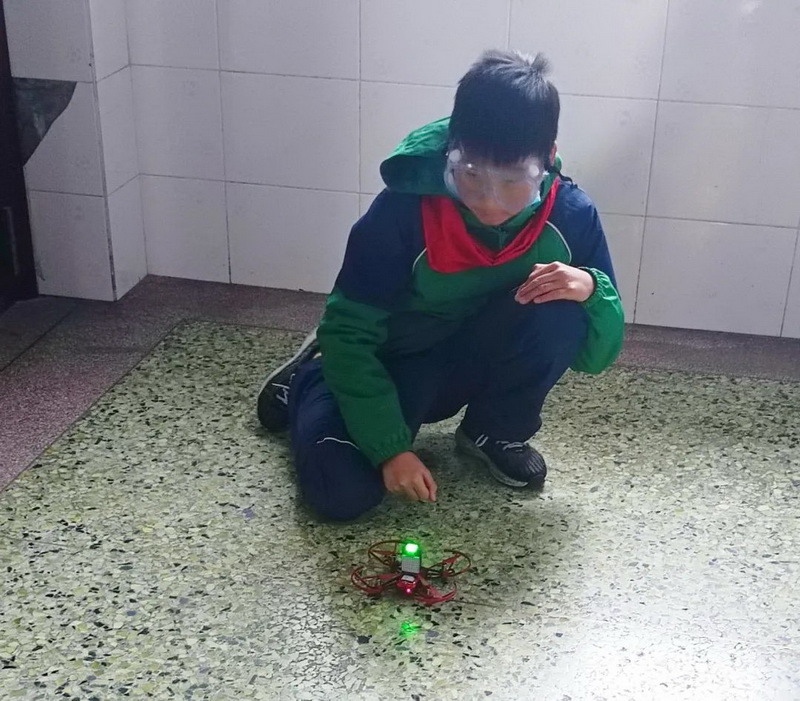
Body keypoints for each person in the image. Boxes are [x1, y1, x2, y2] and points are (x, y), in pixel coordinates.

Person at [257, 49, 624, 521]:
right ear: (452, 151)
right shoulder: (403, 210)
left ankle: (493, 432)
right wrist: (391, 450)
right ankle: (308, 376)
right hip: (394, 360)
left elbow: (596, 359)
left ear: (547, 160)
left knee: (563, 304)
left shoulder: (571, 215)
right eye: (471, 176)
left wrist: (592, 290)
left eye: (513, 181)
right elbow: (350, 333)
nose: (490, 202)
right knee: (341, 494)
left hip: (468, 356)